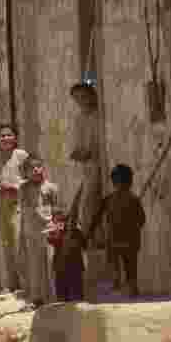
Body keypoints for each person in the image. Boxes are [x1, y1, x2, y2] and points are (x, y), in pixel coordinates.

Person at [0, 123, 30, 292]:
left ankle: (26, 285)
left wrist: (16, 186)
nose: (6, 138)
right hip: (1, 205)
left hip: (19, 204)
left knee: (19, 243)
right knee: (5, 245)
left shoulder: (21, 156)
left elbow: (32, 177)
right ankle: (9, 285)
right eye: (2, 136)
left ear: (15, 138)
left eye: (9, 135)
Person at [89, 164, 145, 298]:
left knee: (115, 265)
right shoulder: (134, 199)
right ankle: (131, 289)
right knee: (130, 267)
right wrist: (132, 228)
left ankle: (117, 287)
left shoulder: (108, 199)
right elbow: (142, 219)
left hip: (114, 241)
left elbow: (96, 218)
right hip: (130, 241)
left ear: (113, 182)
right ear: (130, 181)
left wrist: (90, 233)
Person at [19, 155, 59, 306]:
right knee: (35, 265)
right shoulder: (24, 188)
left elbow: (56, 209)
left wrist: (55, 224)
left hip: (49, 230)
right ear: (26, 172)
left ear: (43, 168)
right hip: (32, 231)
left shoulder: (51, 187)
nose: (36, 170)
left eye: (38, 166)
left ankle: (54, 295)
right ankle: (37, 297)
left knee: (50, 263)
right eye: (31, 168)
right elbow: (25, 208)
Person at [70, 81, 103, 248]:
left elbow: (100, 143)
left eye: (83, 97)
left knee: (87, 203)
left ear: (91, 95)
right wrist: (78, 153)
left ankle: (89, 237)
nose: (81, 101)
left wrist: (89, 152)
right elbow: (79, 146)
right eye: (77, 99)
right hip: (89, 167)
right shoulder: (79, 119)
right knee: (84, 204)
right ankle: (92, 237)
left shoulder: (101, 114)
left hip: (100, 164)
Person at [46, 206, 86, 302]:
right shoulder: (54, 230)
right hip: (61, 267)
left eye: (61, 219)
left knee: (77, 295)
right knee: (63, 297)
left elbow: (83, 243)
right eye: (56, 219)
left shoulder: (75, 230)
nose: (59, 222)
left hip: (74, 266)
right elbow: (51, 240)